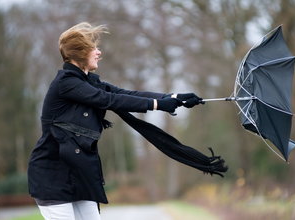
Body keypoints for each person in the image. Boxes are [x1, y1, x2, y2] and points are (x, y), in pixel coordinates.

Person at [27, 22, 203, 220]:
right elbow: (108, 100)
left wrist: (173, 97)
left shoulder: (89, 81)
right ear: (80, 52)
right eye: (94, 48)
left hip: (79, 174)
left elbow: (125, 93)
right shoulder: (66, 83)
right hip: (53, 176)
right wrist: (158, 105)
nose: (99, 52)